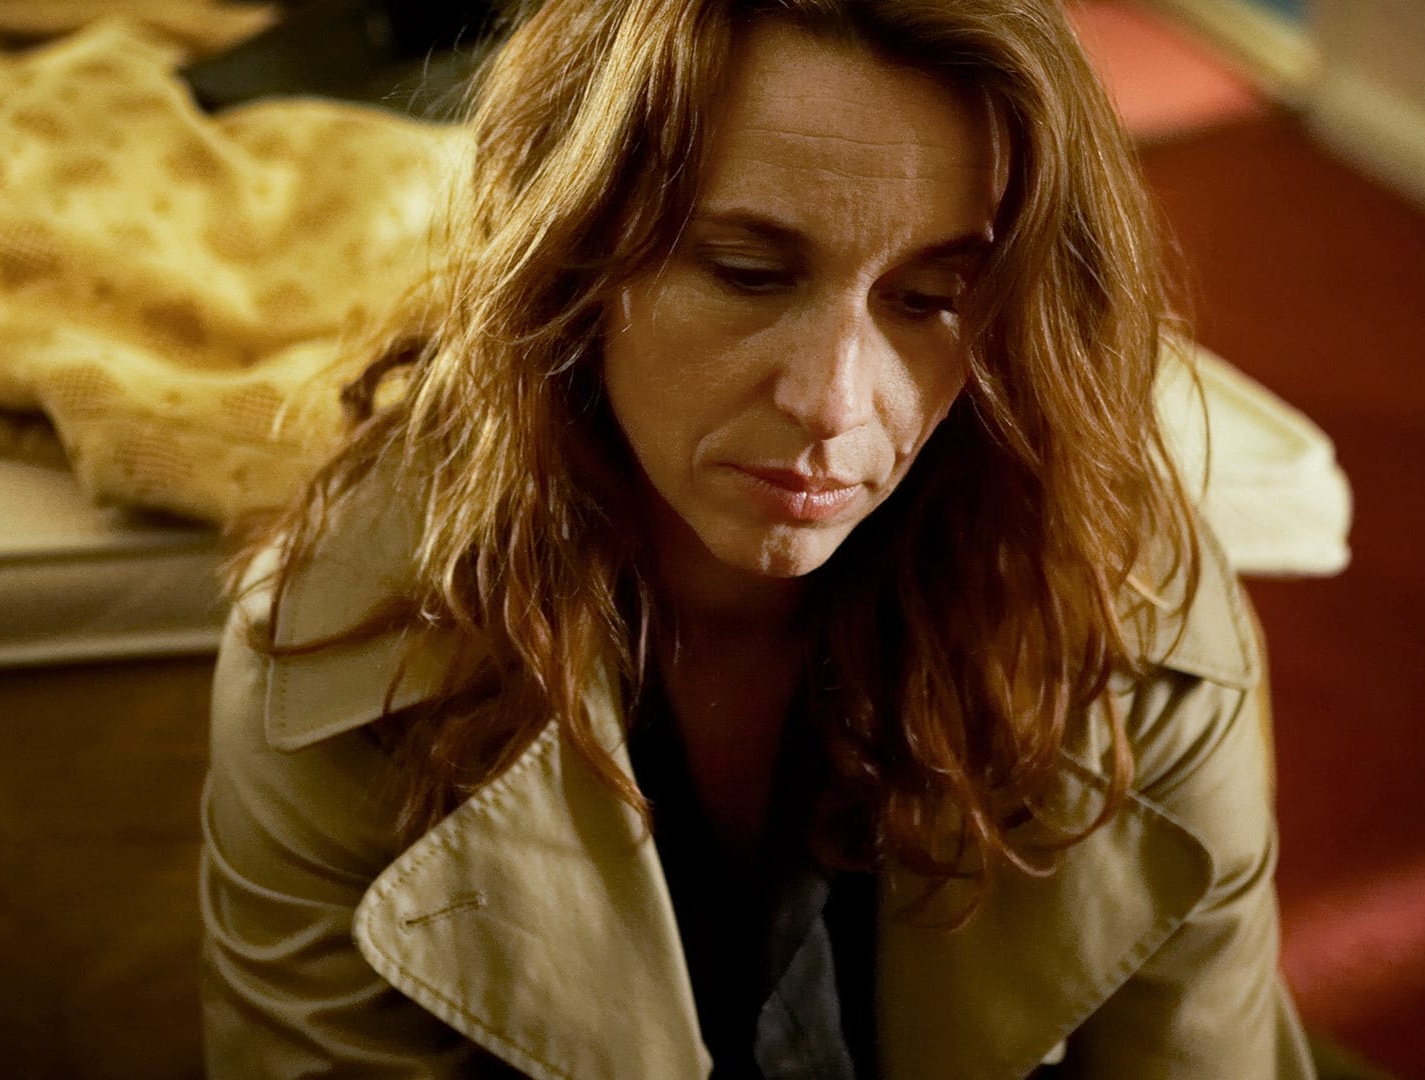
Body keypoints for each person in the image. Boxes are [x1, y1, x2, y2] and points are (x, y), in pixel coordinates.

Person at [200, 1, 1318, 1077]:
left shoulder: (1128, 611)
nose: (832, 402)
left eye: (931, 297)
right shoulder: (338, 653)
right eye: (747, 274)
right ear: (573, 253)